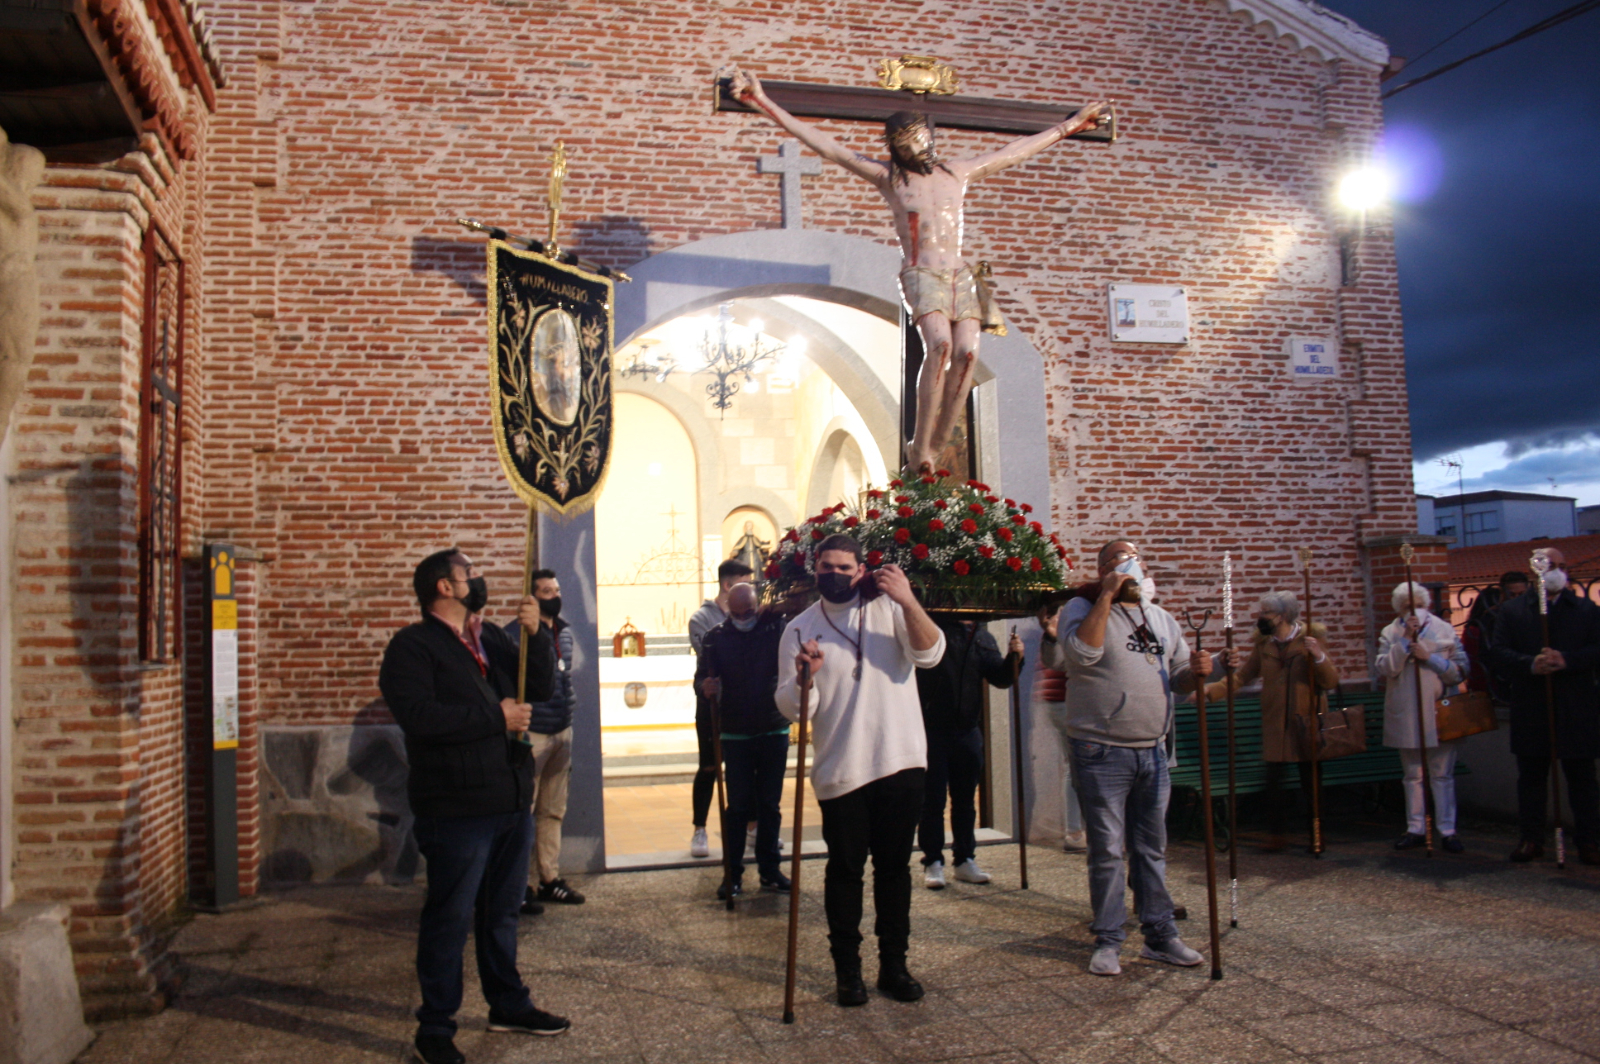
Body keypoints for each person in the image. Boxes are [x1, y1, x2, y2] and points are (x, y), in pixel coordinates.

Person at [728, 68, 1107, 473]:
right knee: (940, 345)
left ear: (929, 137)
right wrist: (760, 100)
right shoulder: (889, 179)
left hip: (961, 274)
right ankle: (920, 443)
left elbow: (1015, 151)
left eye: (916, 139)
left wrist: (1071, 125)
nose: (911, 148)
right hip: (921, 273)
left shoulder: (957, 173)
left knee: (968, 352)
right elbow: (826, 146)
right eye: (902, 144)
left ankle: (936, 447)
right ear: (894, 148)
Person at [378, 549, 568, 1064]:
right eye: (469, 574)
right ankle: (435, 1029)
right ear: (444, 587)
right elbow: (419, 717)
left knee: (501, 914)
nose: (477, 581)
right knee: (450, 916)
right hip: (457, 808)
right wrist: (495, 718)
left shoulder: (491, 636)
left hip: (508, 799)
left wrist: (536, 637)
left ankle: (507, 1004)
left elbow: (541, 688)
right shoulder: (413, 647)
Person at [775, 535, 945, 1006]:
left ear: (860, 569)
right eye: (826, 566)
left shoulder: (891, 609)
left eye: (845, 567)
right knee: (845, 872)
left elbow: (931, 654)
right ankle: (847, 972)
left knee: (894, 871)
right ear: (815, 571)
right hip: (842, 768)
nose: (836, 574)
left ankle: (894, 966)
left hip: (901, 759)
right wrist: (804, 676)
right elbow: (794, 708)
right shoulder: (799, 628)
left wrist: (907, 598)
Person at [1039, 540, 1212, 977]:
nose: (1134, 569)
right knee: (1108, 850)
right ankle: (1110, 938)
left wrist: (1202, 671)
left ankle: (1160, 934)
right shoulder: (1082, 609)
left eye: (1139, 562)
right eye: (1121, 562)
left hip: (1152, 748)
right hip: (1101, 748)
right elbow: (1081, 654)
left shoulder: (1162, 620)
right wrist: (1106, 595)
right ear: (1103, 571)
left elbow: (1178, 679)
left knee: (1151, 848)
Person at [1486, 548, 1600, 865]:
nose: (1558, 571)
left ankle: (1589, 841)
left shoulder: (1587, 610)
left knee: (1582, 779)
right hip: (1533, 706)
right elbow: (1498, 653)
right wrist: (1531, 664)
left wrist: (1567, 660)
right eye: (1552, 566)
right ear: (1536, 569)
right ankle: (1531, 839)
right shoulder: (1513, 611)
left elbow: (1597, 650)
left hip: (1575, 706)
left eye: (1563, 566)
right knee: (1532, 778)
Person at [1206, 591, 1339, 852]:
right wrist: (1213, 690)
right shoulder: (1264, 644)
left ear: (1283, 616)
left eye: (1266, 612)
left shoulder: (1309, 641)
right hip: (1276, 723)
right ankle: (1277, 836)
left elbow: (1330, 681)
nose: (1261, 616)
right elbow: (1244, 676)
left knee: (1311, 783)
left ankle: (1317, 835)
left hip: (1305, 722)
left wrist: (1318, 656)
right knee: (1274, 782)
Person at [697, 582, 791, 899]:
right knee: (737, 806)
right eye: (736, 614)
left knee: (769, 804)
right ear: (727, 610)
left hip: (773, 726)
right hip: (735, 730)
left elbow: (795, 607)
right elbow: (701, 679)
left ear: (757, 605)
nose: (743, 618)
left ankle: (770, 869)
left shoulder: (775, 627)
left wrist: (772, 608)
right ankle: (732, 873)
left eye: (748, 611)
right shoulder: (716, 639)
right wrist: (705, 686)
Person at [916, 618, 1022, 889]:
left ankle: (964, 859)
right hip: (933, 728)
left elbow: (1000, 679)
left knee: (965, 800)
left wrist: (1014, 658)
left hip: (967, 729)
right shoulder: (935, 627)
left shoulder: (983, 636)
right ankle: (933, 860)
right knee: (933, 801)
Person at [505, 568, 586, 908]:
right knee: (523, 810)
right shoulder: (515, 634)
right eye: (546, 591)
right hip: (533, 732)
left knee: (553, 810)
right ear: (532, 596)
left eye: (556, 589)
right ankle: (516, 884)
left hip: (561, 729)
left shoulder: (564, 632)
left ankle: (549, 878)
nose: (554, 596)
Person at [1377, 582, 1469, 853]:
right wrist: (1404, 641)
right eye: (1406, 607)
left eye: (1416, 605)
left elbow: (1460, 671)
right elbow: (1386, 668)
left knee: (1442, 774)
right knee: (1413, 774)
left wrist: (1431, 658)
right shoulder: (1390, 632)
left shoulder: (1444, 629)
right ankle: (1415, 827)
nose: (1412, 611)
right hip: (1406, 712)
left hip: (1439, 710)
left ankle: (1448, 829)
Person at [688, 559, 755, 858]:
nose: (751, 590)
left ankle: (753, 829)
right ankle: (700, 829)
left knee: (747, 768)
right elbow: (715, 656)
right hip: (713, 706)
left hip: (744, 704)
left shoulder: (753, 616)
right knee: (710, 766)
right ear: (728, 586)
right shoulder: (701, 619)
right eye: (745, 583)